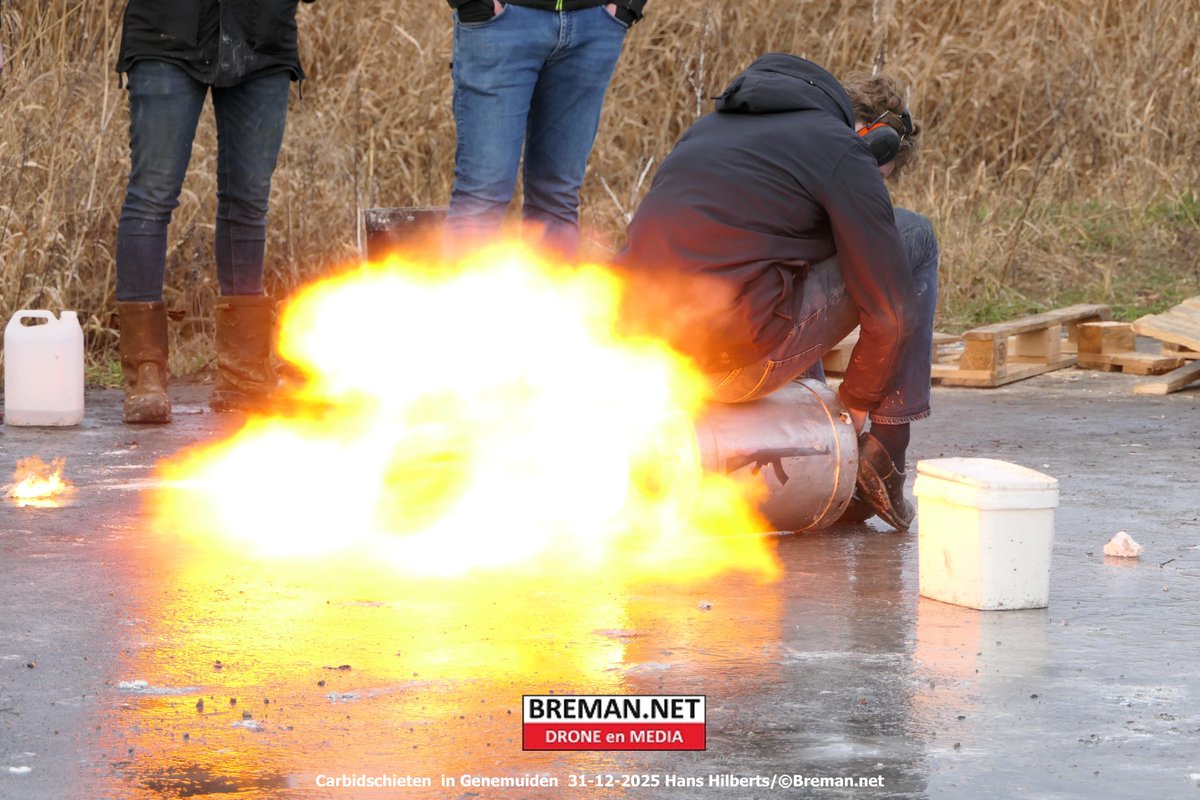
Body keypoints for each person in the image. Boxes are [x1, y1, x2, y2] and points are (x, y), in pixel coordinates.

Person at [617, 53, 939, 531]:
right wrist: (852, 411)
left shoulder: (708, 131)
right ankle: (888, 451)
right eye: (881, 178)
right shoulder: (841, 149)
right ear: (871, 137)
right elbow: (889, 313)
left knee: (787, 261)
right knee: (913, 236)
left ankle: (816, 421)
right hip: (729, 364)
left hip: (646, 364)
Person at [113, 0, 315, 424]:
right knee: (152, 195)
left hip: (261, 34)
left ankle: (243, 370)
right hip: (167, 29)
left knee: (249, 202)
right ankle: (145, 373)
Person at [443, 0, 647, 258]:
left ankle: (549, 286)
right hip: (501, 24)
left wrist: (628, 5)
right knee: (483, 193)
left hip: (594, 25)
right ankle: (467, 286)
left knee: (558, 196)